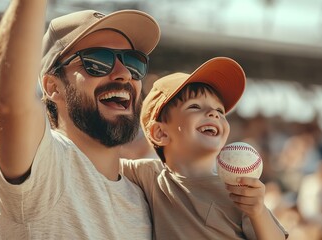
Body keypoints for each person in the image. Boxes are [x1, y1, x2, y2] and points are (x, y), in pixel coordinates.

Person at [0, 0, 160, 238]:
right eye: (97, 61)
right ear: (53, 87)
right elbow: (10, 104)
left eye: (134, 63)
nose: (124, 74)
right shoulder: (45, 166)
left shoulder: (144, 193)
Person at [121, 57, 289, 239]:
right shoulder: (150, 176)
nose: (213, 114)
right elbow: (94, 157)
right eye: (194, 106)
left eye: (220, 110)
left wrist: (258, 211)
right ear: (160, 133)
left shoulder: (238, 192)